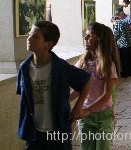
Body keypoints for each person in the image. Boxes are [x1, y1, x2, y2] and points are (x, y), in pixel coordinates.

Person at [16, 21, 93, 150]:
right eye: (29, 34)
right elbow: (24, 97)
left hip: (58, 132)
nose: (29, 38)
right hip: (33, 133)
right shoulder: (24, 68)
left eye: (35, 37)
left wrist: (78, 107)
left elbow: (87, 80)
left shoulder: (60, 67)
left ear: (48, 44)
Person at [71, 22, 120, 150]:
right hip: (85, 118)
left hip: (102, 117)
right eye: (86, 35)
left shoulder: (108, 65)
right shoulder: (83, 63)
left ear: (100, 39)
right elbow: (78, 89)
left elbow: (106, 95)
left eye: (89, 36)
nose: (85, 38)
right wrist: (64, 100)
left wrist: (87, 111)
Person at [113, 9, 131, 77]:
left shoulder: (117, 23)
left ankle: (125, 73)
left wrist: (114, 41)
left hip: (122, 44)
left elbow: (116, 34)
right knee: (129, 58)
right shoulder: (125, 22)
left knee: (123, 59)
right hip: (129, 42)